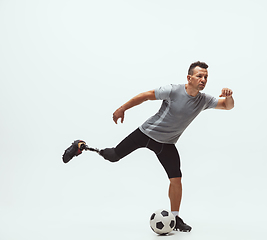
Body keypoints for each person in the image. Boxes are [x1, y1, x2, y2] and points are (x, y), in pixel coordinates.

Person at [62, 61, 234, 232]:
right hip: (146, 133)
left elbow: (227, 106)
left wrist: (228, 96)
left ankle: (174, 217)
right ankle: (81, 146)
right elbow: (145, 95)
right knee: (114, 156)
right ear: (189, 78)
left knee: (176, 179)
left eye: (206, 77)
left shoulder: (204, 100)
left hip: (166, 144)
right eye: (199, 76)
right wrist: (122, 109)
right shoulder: (173, 90)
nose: (203, 79)